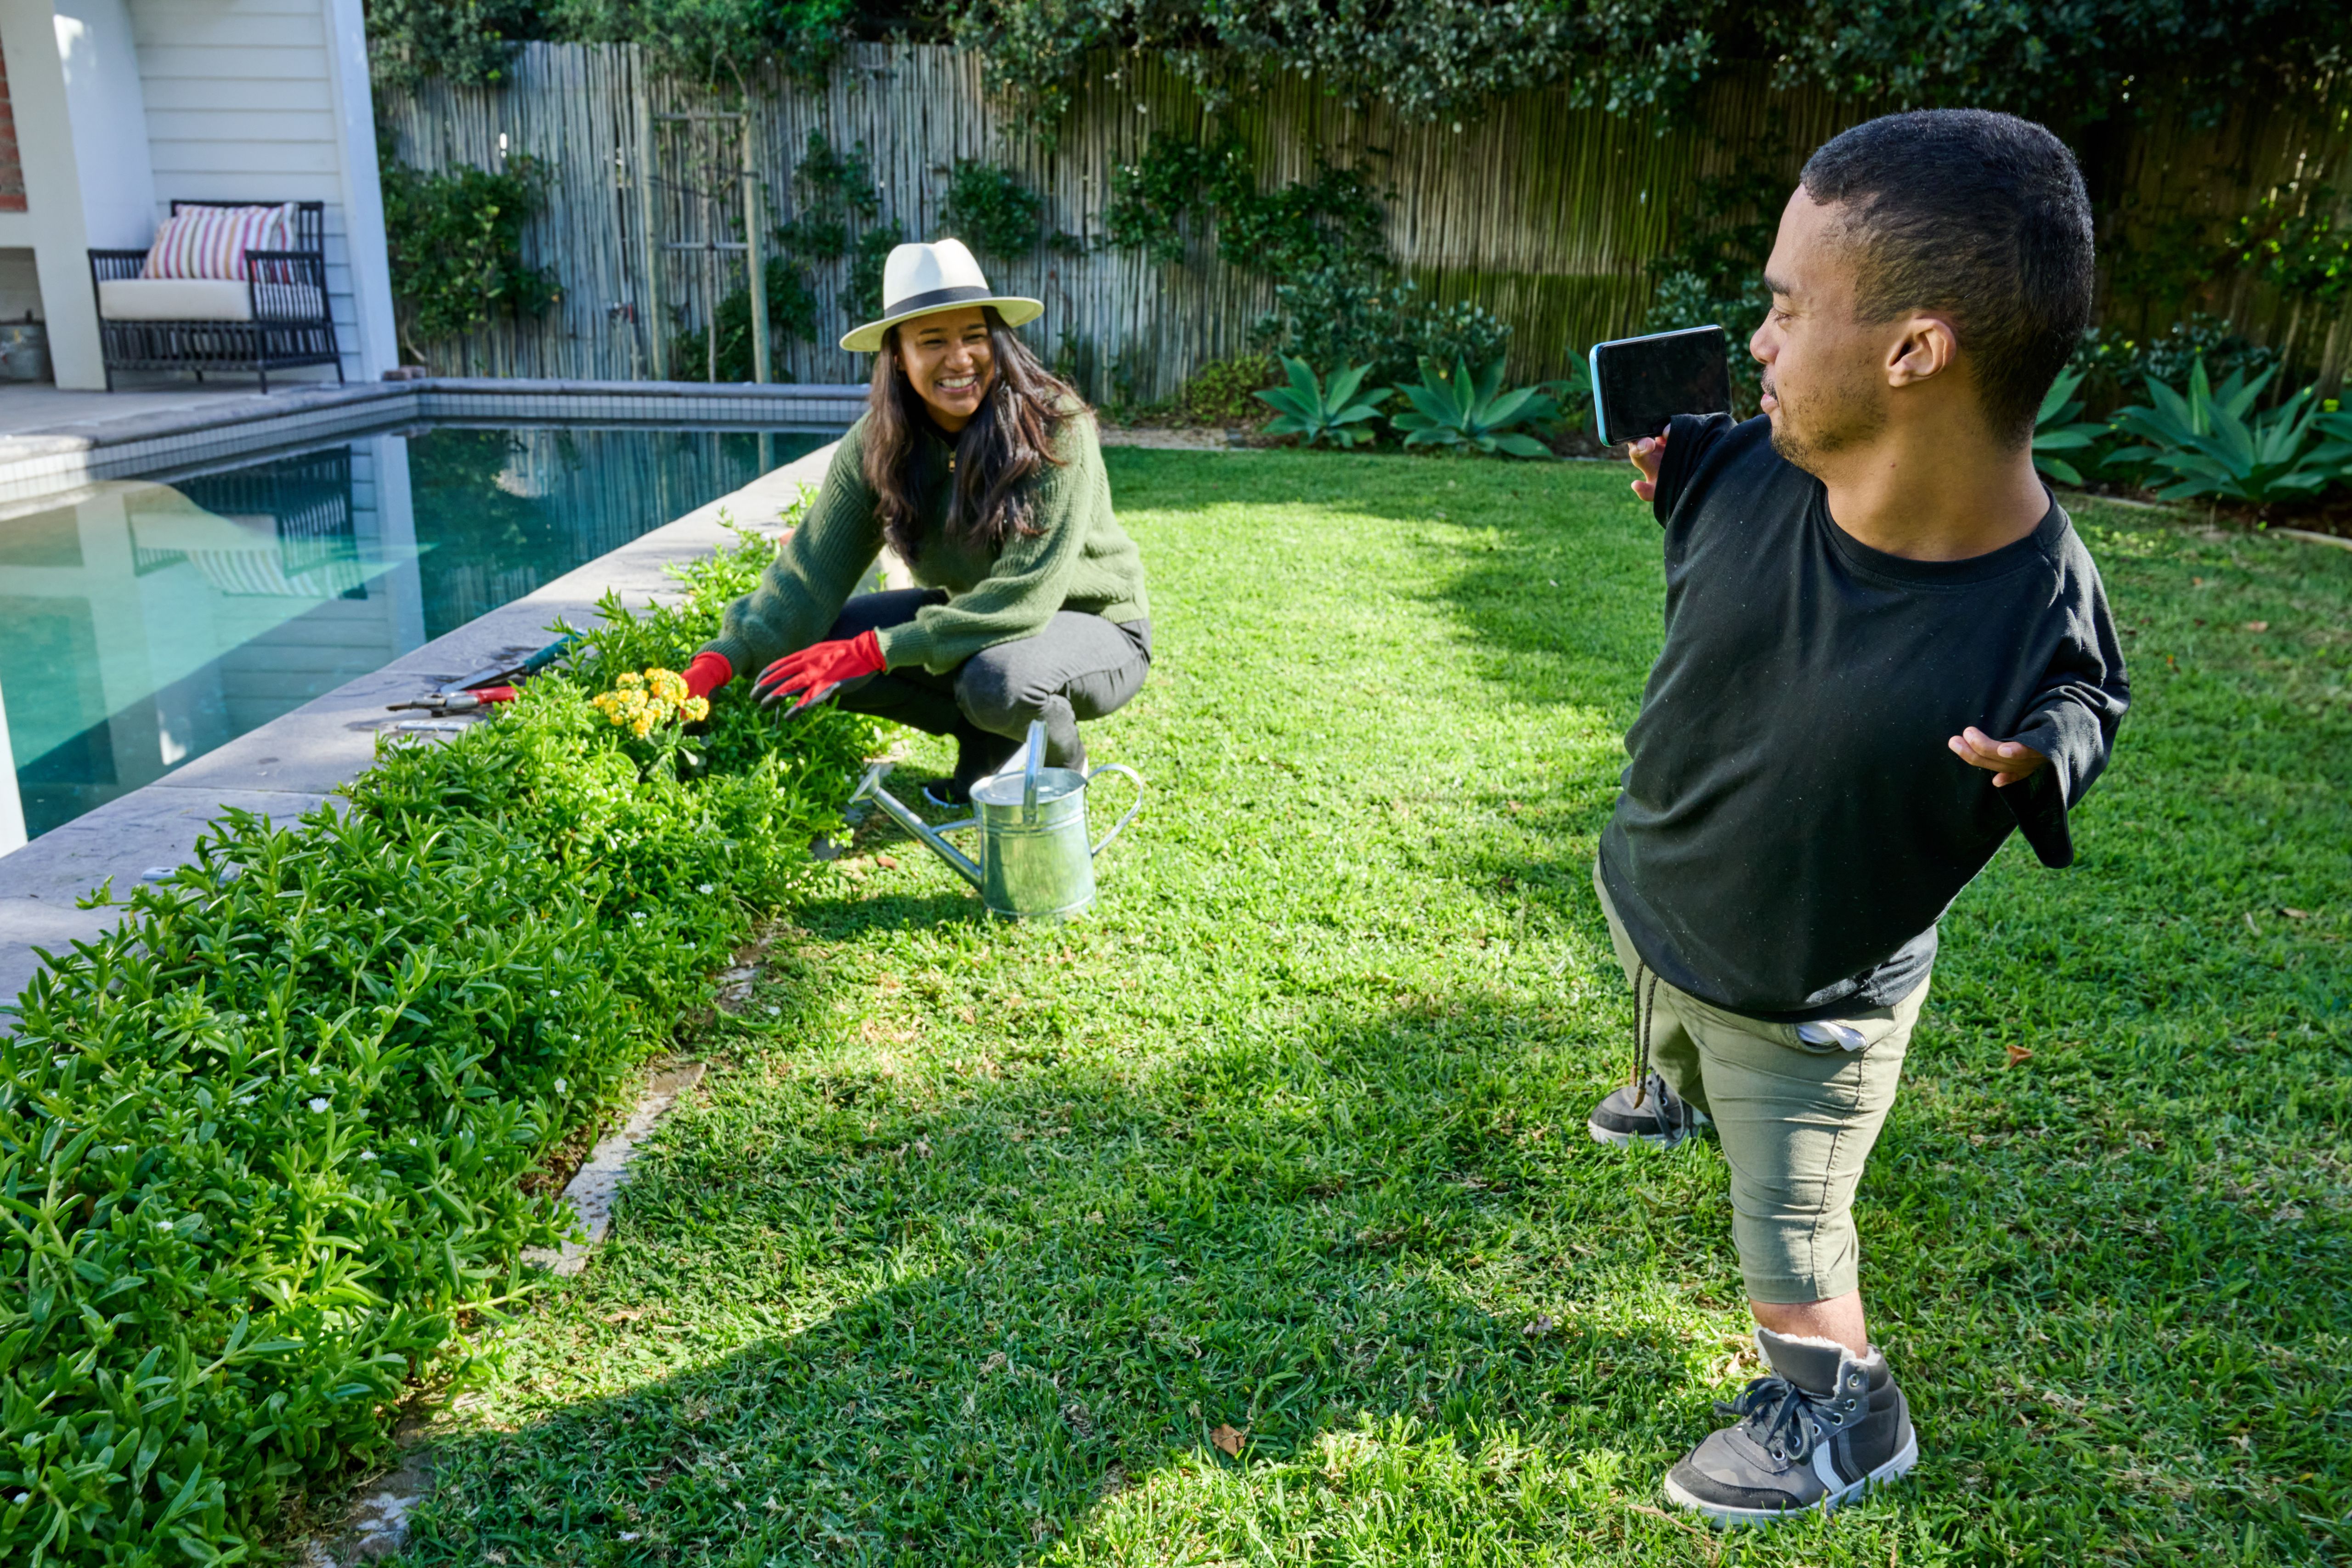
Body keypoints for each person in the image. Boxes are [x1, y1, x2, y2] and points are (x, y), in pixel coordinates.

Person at [1580, 109, 2129, 1525]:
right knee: (1659, 1012)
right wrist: (1674, 482)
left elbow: (2086, 696)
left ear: (1910, 353)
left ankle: (1841, 1412)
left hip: (1803, 997)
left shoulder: (2030, 599)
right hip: (1663, 894)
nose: (1751, 339)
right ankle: (1666, 1092)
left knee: (1788, 1217)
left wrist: (2039, 755)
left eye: (1779, 306)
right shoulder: (1749, 463)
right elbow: (1719, 556)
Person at [679, 238, 1150, 801]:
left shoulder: (1052, 428)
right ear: (897, 356)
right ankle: (986, 746)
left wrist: (873, 650)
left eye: (975, 336)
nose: (960, 359)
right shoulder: (876, 447)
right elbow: (807, 580)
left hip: (1093, 626)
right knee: (803, 649)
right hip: (977, 625)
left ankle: (1059, 773)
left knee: (998, 680)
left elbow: (1023, 598)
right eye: (933, 342)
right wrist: (717, 661)